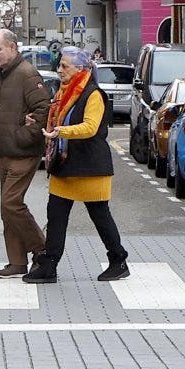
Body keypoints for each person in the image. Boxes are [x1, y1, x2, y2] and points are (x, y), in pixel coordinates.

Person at [25, 47, 129, 283]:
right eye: (59, 65)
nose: (59, 70)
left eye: (64, 66)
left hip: (91, 166)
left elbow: (90, 127)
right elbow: (56, 118)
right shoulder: (63, 93)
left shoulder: (93, 94)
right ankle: (49, 265)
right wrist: (39, 121)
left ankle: (118, 259)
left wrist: (61, 132)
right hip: (65, 164)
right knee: (56, 216)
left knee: (100, 216)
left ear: (80, 70)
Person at [0, 29, 53, 278]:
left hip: (24, 153)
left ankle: (42, 249)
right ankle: (17, 262)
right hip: (4, 154)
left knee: (11, 204)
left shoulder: (27, 75)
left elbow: (44, 112)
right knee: (7, 209)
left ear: (12, 48)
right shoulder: (0, 76)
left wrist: (21, 137)